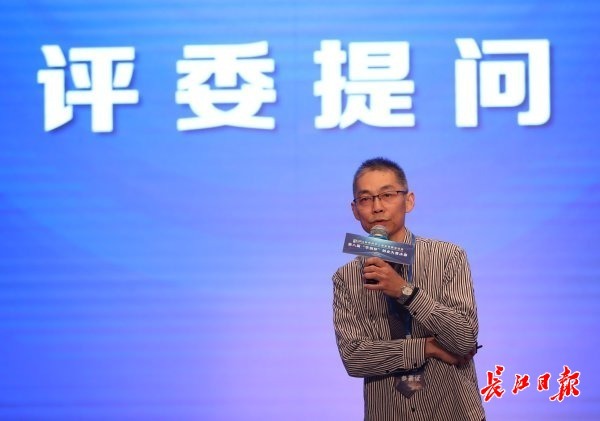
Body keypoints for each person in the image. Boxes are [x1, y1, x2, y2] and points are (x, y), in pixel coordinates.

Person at [332, 157, 485, 420]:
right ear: (355, 210)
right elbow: (354, 358)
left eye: (387, 195)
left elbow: (463, 341)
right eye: (366, 199)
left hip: (453, 411)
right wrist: (426, 347)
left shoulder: (448, 256)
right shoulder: (346, 277)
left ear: (409, 200)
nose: (377, 207)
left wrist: (405, 292)